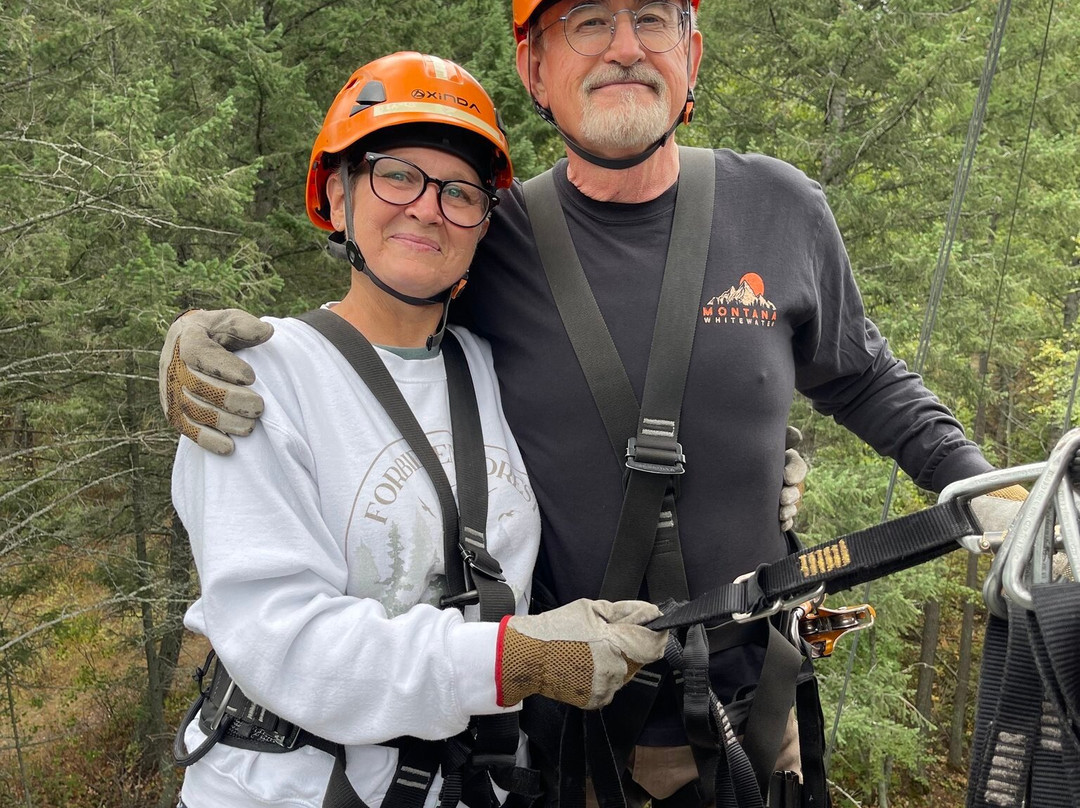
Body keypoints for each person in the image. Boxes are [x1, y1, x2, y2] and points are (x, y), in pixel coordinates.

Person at [160, 4, 1023, 806]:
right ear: (534, 69)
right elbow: (382, 316)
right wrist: (222, 339)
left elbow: (864, 376)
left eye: (652, 18)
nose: (624, 46)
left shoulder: (780, 210)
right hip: (557, 734)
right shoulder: (494, 238)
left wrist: (988, 490)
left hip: (751, 703)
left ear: (691, 53)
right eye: (588, 22)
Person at [169, 50, 668, 808]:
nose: (428, 208)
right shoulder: (256, 381)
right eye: (397, 175)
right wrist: (516, 662)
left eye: (461, 192)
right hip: (287, 788)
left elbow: (593, 470)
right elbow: (289, 644)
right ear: (336, 197)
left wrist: (758, 471)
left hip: (472, 784)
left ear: (481, 228)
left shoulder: (492, 370)